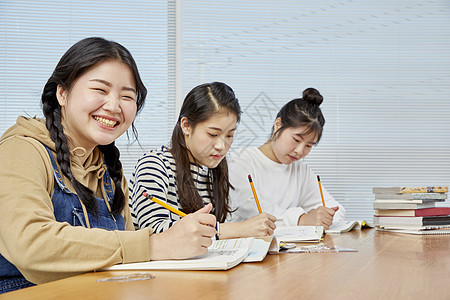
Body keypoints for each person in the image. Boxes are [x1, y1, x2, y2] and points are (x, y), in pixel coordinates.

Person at [0, 37, 217, 294]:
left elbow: (124, 262)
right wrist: (156, 244)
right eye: (100, 90)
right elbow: (32, 245)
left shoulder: (109, 168)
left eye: (127, 96)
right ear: (62, 92)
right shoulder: (21, 149)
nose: (114, 106)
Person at [130, 82, 276, 239]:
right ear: (186, 126)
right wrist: (238, 229)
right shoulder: (154, 165)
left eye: (229, 135)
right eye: (213, 134)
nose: (221, 146)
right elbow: (152, 233)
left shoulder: (213, 171)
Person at [228, 88, 345, 229]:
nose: (299, 151)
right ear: (278, 125)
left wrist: (325, 217)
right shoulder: (241, 161)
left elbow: (335, 209)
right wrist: (301, 219)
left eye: (309, 146)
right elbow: (252, 209)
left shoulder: (301, 170)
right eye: (296, 139)